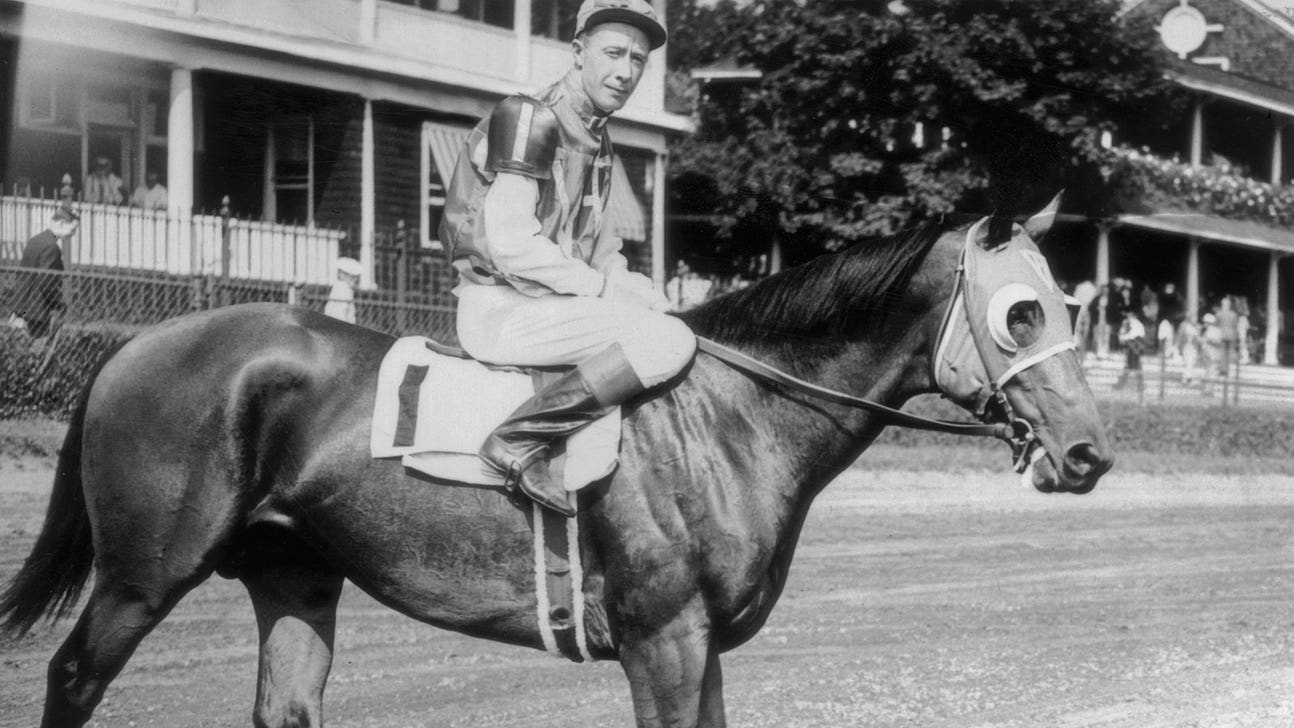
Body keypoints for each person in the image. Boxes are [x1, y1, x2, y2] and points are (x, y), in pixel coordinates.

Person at [439, 0, 693, 517]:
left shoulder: (599, 139)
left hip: (543, 307)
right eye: (613, 53)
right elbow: (513, 245)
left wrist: (642, 293)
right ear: (578, 52)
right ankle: (516, 440)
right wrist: (604, 291)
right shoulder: (528, 117)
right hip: (500, 307)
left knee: (668, 322)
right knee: (670, 343)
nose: (625, 72)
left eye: (638, 60)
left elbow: (603, 252)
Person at [18, 201, 79, 340]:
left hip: (24, 307)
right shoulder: (52, 248)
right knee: (40, 347)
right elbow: (46, 282)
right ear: (62, 223)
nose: (73, 234)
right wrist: (59, 303)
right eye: (73, 229)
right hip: (38, 311)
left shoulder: (35, 240)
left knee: (26, 347)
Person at [323, 257, 362, 324]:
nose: (355, 279)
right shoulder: (343, 288)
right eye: (352, 277)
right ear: (342, 275)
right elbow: (339, 313)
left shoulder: (343, 287)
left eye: (355, 277)